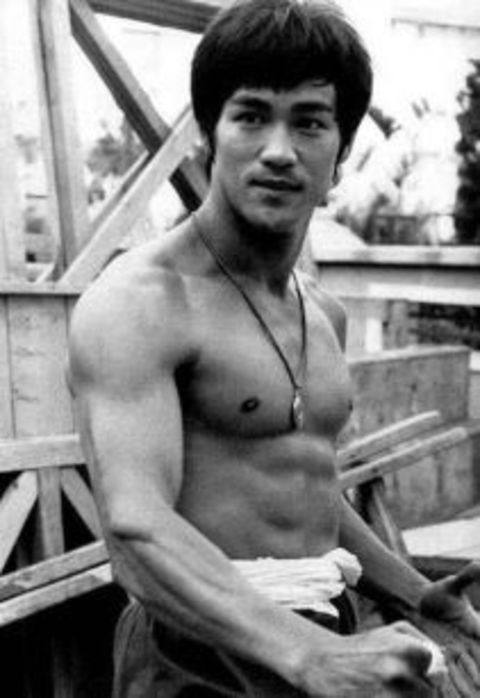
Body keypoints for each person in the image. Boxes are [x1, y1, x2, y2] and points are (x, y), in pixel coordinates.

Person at [67, 1, 480, 695]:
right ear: (210, 136)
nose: (280, 150)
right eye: (252, 116)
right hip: (195, 649)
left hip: (320, 626)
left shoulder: (323, 313)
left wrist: (414, 594)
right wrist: (311, 655)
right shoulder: (141, 302)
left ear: (340, 156)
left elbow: (307, 493)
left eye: (309, 122)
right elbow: (136, 534)